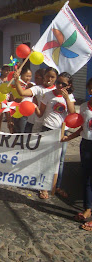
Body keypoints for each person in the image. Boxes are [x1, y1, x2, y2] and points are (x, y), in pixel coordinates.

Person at [35, 72, 76, 199]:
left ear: (68, 86)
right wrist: (32, 105)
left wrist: (67, 99)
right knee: (46, 158)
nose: (59, 85)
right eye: (58, 82)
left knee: (60, 161)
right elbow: (40, 113)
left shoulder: (70, 96)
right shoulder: (47, 95)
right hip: (48, 129)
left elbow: (73, 114)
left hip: (62, 131)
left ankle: (56, 186)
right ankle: (43, 187)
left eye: (63, 84)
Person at [61, 78, 92, 231]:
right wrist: (69, 137)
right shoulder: (85, 106)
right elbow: (82, 128)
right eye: (90, 88)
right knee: (86, 178)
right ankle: (87, 209)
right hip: (85, 145)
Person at [13, 67, 58, 133]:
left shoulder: (57, 90)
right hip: (33, 121)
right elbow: (22, 93)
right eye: (47, 76)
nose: (49, 79)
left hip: (48, 124)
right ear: (44, 76)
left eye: (52, 77)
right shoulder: (37, 88)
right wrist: (16, 80)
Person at [12, 68, 33, 133]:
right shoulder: (16, 85)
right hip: (16, 111)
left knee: (23, 132)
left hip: (26, 112)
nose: (28, 78)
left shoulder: (32, 85)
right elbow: (14, 99)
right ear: (21, 76)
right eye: (27, 76)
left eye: (30, 76)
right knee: (16, 132)